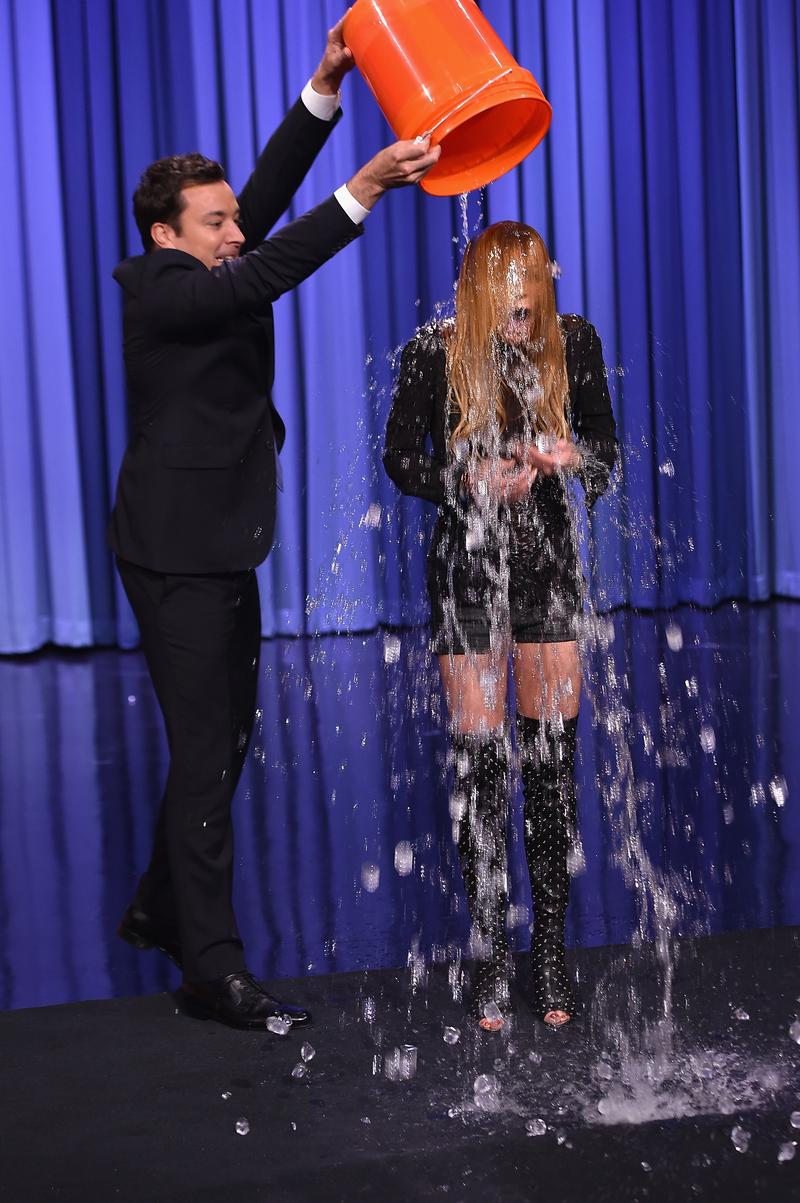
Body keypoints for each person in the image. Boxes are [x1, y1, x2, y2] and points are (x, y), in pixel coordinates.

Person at [112, 17, 440, 1032]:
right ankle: (209, 968)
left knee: (225, 741)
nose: (232, 231)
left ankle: (161, 904)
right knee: (208, 752)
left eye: (227, 218)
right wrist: (370, 187)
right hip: (174, 552)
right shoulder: (159, 291)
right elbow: (262, 270)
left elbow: (258, 207)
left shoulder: (203, 252)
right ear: (166, 235)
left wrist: (323, 89)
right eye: (211, 222)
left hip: (219, 541)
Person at [384, 222, 617, 1032]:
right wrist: (466, 473)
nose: (524, 305)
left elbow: (610, 452)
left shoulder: (574, 341)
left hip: (548, 568)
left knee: (552, 764)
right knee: (482, 771)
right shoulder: (434, 348)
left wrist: (571, 458)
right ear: (481, 287)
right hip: (469, 573)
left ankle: (549, 951)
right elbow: (398, 459)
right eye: (509, 291)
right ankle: (490, 953)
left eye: (534, 286)